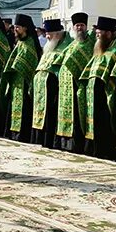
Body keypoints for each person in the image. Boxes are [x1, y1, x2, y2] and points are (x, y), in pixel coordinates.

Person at [81, 16, 116, 160]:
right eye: (97, 31)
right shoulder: (99, 51)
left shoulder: (115, 52)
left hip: (105, 97)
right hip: (93, 96)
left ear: (110, 34)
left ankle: (105, 151)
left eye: (101, 32)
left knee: (103, 126)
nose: (97, 34)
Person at [54, 13, 94, 153]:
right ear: (73, 27)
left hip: (78, 86)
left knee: (76, 118)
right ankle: (64, 143)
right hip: (65, 87)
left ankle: (75, 145)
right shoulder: (72, 44)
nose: (79, 28)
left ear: (86, 26)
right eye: (77, 25)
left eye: (82, 25)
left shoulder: (90, 43)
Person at [0, 14, 39, 143]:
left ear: (25, 28)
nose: (15, 29)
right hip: (16, 80)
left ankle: (22, 134)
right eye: (15, 27)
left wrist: (17, 65)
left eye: (18, 27)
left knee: (25, 107)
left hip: (25, 81)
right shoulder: (20, 42)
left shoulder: (30, 43)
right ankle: (13, 133)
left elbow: (30, 60)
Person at [31, 19, 67, 148]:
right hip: (42, 88)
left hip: (53, 88)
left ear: (57, 34)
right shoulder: (49, 47)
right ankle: (40, 139)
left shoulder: (64, 48)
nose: (46, 36)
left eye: (49, 34)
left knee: (51, 115)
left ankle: (50, 141)